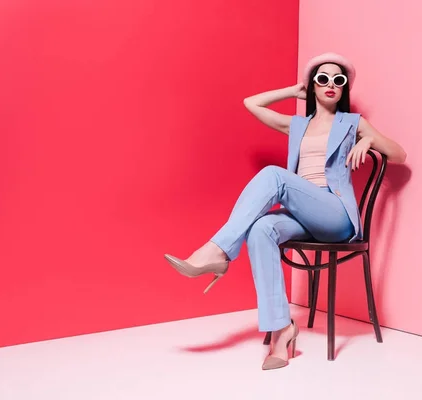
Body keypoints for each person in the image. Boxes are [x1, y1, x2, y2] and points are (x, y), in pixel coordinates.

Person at [164, 53, 406, 370]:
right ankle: (281, 330)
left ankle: (217, 251)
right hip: (303, 213)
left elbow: (399, 154)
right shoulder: (297, 125)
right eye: (323, 79)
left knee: (274, 176)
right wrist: (293, 91)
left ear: (344, 87)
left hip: (335, 216)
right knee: (261, 229)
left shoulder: (352, 123)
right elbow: (251, 104)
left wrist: (369, 139)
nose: (331, 84)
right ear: (313, 86)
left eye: (338, 80)